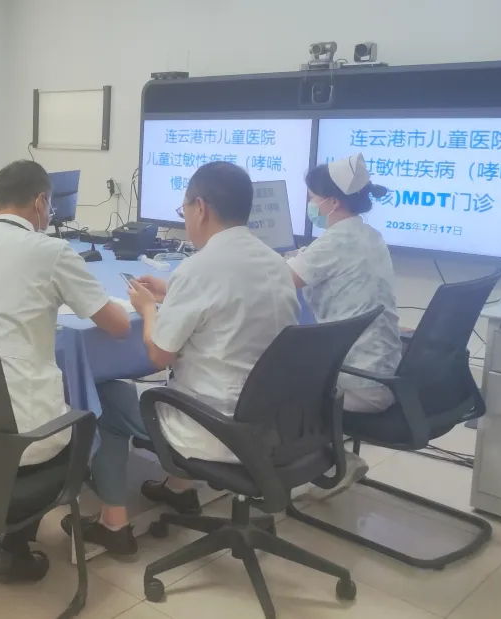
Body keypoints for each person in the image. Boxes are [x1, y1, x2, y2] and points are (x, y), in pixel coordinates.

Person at [65, 162, 299, 555]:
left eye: (184, 209)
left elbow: (159, 354)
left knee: (104, 394)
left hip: (214, 425)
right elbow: (227, 304)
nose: (186, 216)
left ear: (201, 208)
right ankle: (179, 488)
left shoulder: (200, 268)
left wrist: (148, 309)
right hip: (270, 422)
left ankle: (112, 523)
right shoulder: (275, 263)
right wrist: (174, 292)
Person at [0, 159, 132, 582]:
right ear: (41, 203)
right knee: (91, 404)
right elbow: (116, 325)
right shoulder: (51, 252)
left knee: (4, 390)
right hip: (20, 433)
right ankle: (13, 546)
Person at [288, 153, 402, 499]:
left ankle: (330, 461)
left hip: (355, 381)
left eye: (312, 198)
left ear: (333, 202)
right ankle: (329, 455)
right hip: (382, 372)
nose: (310, 204)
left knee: (267, 379)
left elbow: (281, 280)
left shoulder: (336, 241)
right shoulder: (369, 235)